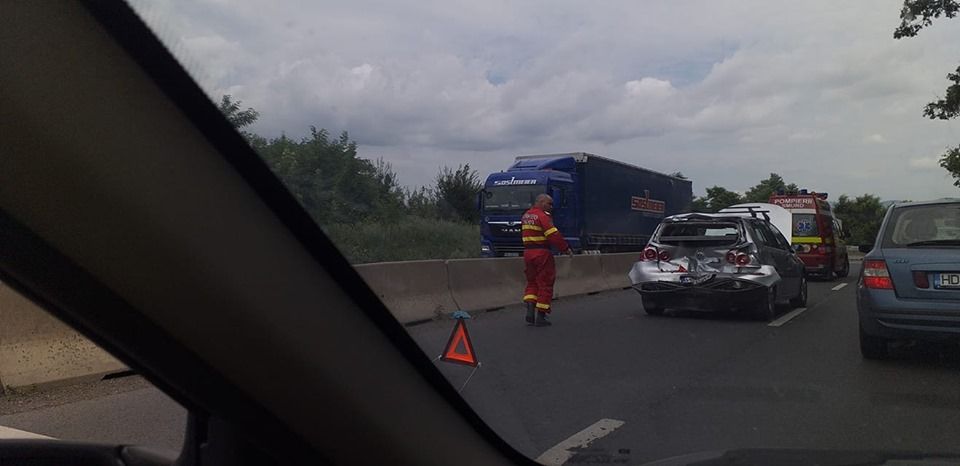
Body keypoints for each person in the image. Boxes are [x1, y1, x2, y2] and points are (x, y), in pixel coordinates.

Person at [521, 194, 572, 327]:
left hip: (527, 253)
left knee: (532, 281)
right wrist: (565, 248)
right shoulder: (543, 216)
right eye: (549, 204)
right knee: (545, 282)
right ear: (541, 202)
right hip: (541, 253)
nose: (551, 207)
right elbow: (553, 235)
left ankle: (530, 308)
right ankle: (541, 316)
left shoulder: (526, 215)